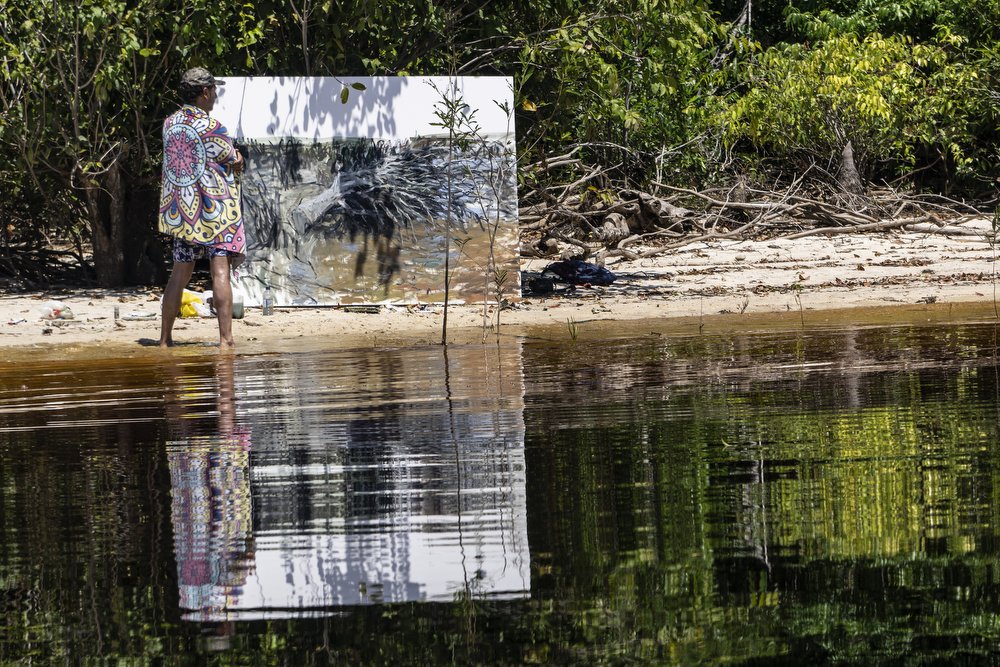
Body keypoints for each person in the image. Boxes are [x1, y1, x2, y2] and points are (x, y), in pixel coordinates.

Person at [159, 67, 246, 349]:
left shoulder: (170, 124)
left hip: (183, 213)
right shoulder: (213, 127)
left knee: (178, 275)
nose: (216, 96)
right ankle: (226, 341)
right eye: (214, 90)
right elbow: (232, 158)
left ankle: (164, 341)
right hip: (214, 213)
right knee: (219, 272)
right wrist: (238, 158)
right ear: (205, 92)